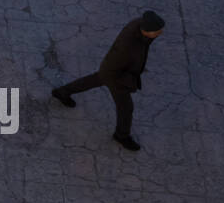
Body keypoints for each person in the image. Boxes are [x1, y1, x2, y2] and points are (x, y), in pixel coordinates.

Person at [52, 10, 166, 152]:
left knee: (94, 80)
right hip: (116, 77)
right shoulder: (128, 47)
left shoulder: (139, 26)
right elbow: (115, 68)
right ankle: (122, 135)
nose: (160, 33)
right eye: (157, 31)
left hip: (110, 71)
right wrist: (128, 83)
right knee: (126, 108)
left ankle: (62, 92)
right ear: (146, 31)